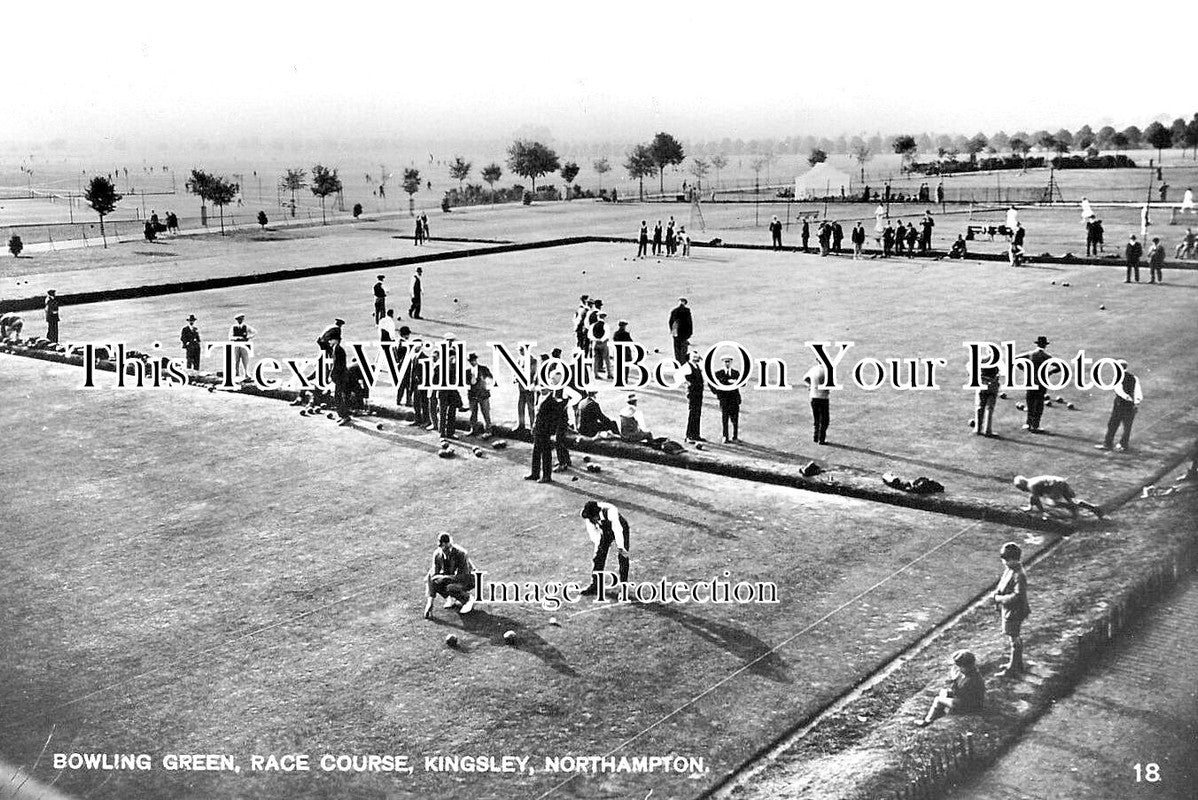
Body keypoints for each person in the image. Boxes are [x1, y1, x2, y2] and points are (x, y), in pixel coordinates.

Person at [914, 649, 985, 727]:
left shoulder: (970, 680)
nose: (959, 669)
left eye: (961, 667)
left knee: (938, 700)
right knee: (944, 692)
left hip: (968, 706)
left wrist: (953, 681)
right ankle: (940, 713)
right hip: (970, 702)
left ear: (966, 666)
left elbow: (958, 693)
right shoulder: (973, 674)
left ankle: (927, 721)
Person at [992, 541, 1030, 678]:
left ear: (1014, 559)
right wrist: (996, 594)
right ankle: (1017, 664)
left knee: (1014, 638)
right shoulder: (1010, 569)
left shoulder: (1019, 574)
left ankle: (1013, 667)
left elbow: (1018, 596)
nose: (1004, 562)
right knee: (1013, 636)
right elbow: (1002, 584)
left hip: (1015, 610)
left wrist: (999, 599)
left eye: (1007, 559)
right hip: (1009, 609)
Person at [578, 500, 631, 595]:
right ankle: (595, 585)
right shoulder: (588, 516)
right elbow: (594, 535)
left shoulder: (610, 512)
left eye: (593, 518)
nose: (592, 521)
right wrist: (598, 550)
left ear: (597, 514)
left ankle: (624, 587)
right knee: (598, 557)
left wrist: (621, 547)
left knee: (623, 557)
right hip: (605, 532)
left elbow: (618, 530)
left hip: (621, 530)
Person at [424, 533, 476, 617]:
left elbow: (463, 576)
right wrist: (430, 602)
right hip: (453, 577)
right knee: (434, 579)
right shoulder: (437, 554)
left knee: (451, 587)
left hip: (469, 578)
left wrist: (444, 578)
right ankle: (450, 598)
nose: (443, 549)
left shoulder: (461, 553)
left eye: (446, 547)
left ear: (450, 544)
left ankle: (468, 599)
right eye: (441, 546)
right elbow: (432, 576)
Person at [1096, 360, 1141, 452]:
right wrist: (1136, 403)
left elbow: (1119, 390)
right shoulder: (1134, 377)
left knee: (1113, 424)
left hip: (1120, 404)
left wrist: (1127, 398)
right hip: (1130, 405)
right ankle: (1123, 445)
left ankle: (1108, 444)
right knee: (1127, 426)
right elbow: (1138, 391)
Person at [1015, 336, 1058, 433]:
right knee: (1039, 405)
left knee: (1030, 403)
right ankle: (1036, 425)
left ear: (1037, 344)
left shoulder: (1030, 354)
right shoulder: (1046, 356)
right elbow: (1059, 366)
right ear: (1045, 345)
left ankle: (1028, 424)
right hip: (1042, 383)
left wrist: (1024, 369)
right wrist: (1050, 373)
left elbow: (1015, 359)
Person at [1013, 475, 1104, 520]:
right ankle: (1093, 508)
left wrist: (1042, 512)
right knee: (1072, 500)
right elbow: (1033, 497)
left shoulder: (1031, 486)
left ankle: (1072, 508)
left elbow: (1036, 499)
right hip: (1061, 481)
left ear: (1022, 485)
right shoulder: (1032, 481)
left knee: (1051, 503)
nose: (1022, 490)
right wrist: (1030, 506)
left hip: (1056, 486)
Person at [525, 389, 561, 483]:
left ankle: (546, 476)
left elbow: (554, 419)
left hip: (546, 430)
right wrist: (534, 425)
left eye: (544, 387)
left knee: (546, 453)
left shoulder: (553, 401)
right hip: (538, 428)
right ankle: (535, 473)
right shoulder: (539, 396)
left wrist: (552, 433)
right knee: (536, 451)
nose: (542, 389)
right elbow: (537, 413)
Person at [713, 356, 742, 443]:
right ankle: (725, 436)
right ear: (722, 363)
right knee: (725, 418)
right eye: (725, 362)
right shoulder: (718, 374)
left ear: (731, 362)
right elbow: (712, 384)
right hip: (724, 399)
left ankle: (735, 436)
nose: (727, 363)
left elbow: (743, 383)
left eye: (728, 361)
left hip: (734, 398)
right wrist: (717, 393)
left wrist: (736, 382)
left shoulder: (735, 373)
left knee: (735, 419)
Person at [802, 360, 830, 444]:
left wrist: (810, 385)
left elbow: (805, 378)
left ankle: (816, 437)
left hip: (813, 396)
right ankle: (821, 439)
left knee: (816, 418)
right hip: (823, 398)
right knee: (824, 420)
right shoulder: (827, 370)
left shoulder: (813, 369)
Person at [328, 330, 353, 426]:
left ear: (336, 340)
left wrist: (331, 375)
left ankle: (345, 416)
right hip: (341, 376)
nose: (329, 342)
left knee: (338, 397)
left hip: (341, 377)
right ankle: (343, 415)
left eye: (331, 340)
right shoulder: (337, 348)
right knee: (338, 396)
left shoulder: (337, 349)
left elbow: (336, 365)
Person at [465, 352, 493, 437]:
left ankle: (488, 431)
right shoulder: (467, 372)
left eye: (473, 360)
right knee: (473, 413)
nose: (472, 362)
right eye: (471, 360)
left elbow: (491, 378)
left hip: (483, 394)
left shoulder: (484, 369)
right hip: (472, 395)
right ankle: (473, 429)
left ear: (476, 360)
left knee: (486, 413)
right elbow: (465, 383)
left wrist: (486, 383)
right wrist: (470, 381)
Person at [514, 344, 538, 432]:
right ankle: (521, 425)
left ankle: (533, 426)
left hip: (528, 387)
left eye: (522, 350)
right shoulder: (519, 359)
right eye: (519, 350)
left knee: (530, 407)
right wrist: (515, 377)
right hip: (521, 387)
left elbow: (532, 372)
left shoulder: (532, 360)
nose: (520, 352)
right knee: (520, 407)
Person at [683, 350, 705, 442]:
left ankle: (696, 434)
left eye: (697, 357)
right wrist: (688, 385)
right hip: (692, 393)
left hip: (699, 392)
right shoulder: (687, 366)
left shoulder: (697, 366)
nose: (697, 359)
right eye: (694, 357)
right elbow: (681, 377)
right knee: (692, 413)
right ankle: (688, 436)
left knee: (697, 413)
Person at [974, 365, 1001, 437]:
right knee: (989, 408)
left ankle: (977, 429)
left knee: (979, 407)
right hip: (992, 383)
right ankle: (987, 430)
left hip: (981, 383)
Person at [229, 313, 255, 382]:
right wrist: (237, 338)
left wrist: (248, 337)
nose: (239, 321)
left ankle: (246, 373)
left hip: (244, 345)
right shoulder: (233, 327)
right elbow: (230, 337)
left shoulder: (246, 327)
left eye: (241, 319)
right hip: (236, 345)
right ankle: (236, 373)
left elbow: (254, 332)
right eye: (238, 319)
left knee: (245, 359)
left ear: (243, 319)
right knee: (236, 360)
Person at [668, 298, 693, 365]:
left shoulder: (674, 311)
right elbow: (689, 322)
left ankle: (678, 363)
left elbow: (670, 322)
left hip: (676, 332)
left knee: (677, 349)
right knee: (683, 348)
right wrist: (690, 332)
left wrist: (672, 330)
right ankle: (682, 363)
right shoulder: (686, 311)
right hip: (683, 332)